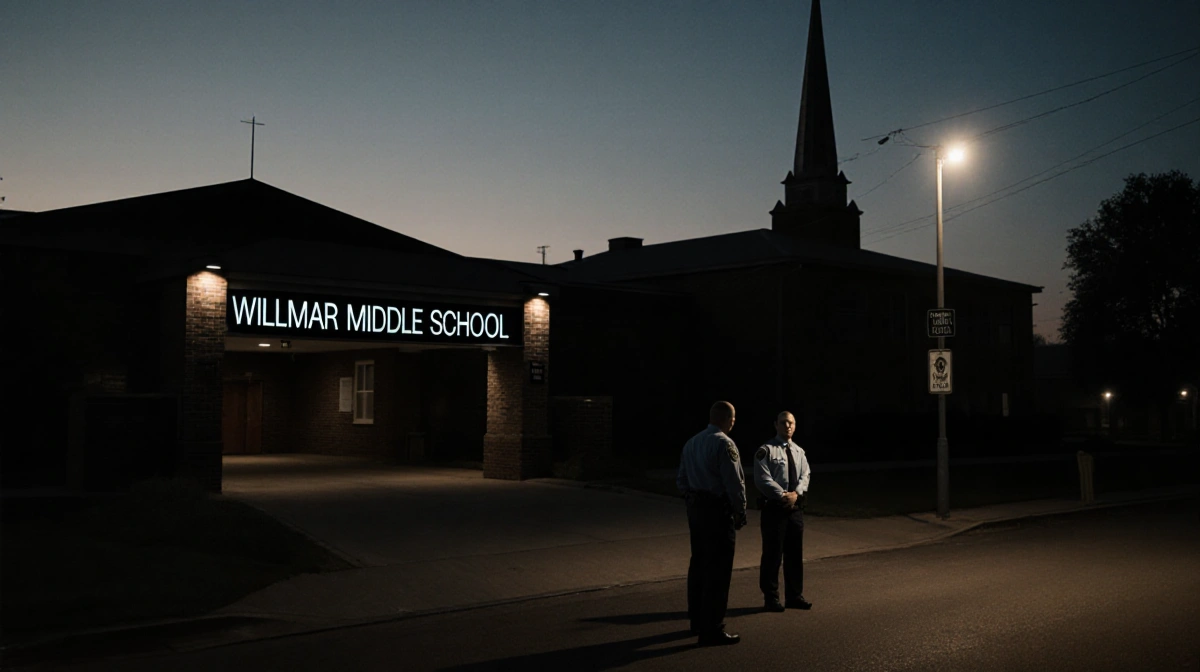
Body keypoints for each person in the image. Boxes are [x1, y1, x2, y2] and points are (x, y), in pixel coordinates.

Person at [677, 400, 748, 646]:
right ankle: (712, 629)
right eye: (734, 419)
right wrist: (740, 512)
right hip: (717, 512)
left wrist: (692, 501)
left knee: (698, 566)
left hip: (696, 511)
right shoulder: (725, 444)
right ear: (728, 419)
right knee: (719, 571)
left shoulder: (692, 443)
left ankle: (696, 621)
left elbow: (681, 480)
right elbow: (734, 483)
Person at [753, 410, 812, 612]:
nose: (788, 426)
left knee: (795, 555)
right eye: (784, 422)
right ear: (776, 425)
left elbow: (806, 475)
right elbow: (762, 478)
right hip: (774, 510)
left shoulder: (799, 451)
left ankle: (795, 596)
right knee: (772, 555)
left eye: (792, 423)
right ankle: (771, 598)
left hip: (795, 510)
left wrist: (796, 494)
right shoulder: (766, 450)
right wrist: (782, 495)